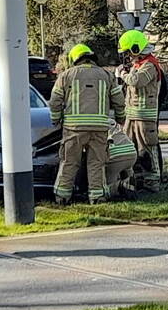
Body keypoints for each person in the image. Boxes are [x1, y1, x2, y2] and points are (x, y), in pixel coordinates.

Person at [49, 44, 126, 204]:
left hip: (73, 129)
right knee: (96, 163)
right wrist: (120, 118)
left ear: (75, 59)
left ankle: (62, 196)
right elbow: (118, 100)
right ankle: (97, 197)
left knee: (69, 162)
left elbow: (55, 101)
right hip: (99, 128)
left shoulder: (66, 75)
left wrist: (56, 119)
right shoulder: (106, 75)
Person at [117, 29, 164, 193]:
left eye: (128, 52)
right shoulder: (137, 65)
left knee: (147, 149)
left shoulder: (150, 65)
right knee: (130, 148)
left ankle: (152, 182)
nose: (128, 56)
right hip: (132, 115)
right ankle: (134, 180)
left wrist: (122, 74)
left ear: (136, 48)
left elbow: (137, 81)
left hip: (145, 116)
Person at [106, 119, 138, 199]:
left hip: (115, 155)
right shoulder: (112, 122)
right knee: (128, 169)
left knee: (109, 182)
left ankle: (119, 186)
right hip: (131, 151)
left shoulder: (95, 126)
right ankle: (131, 182)